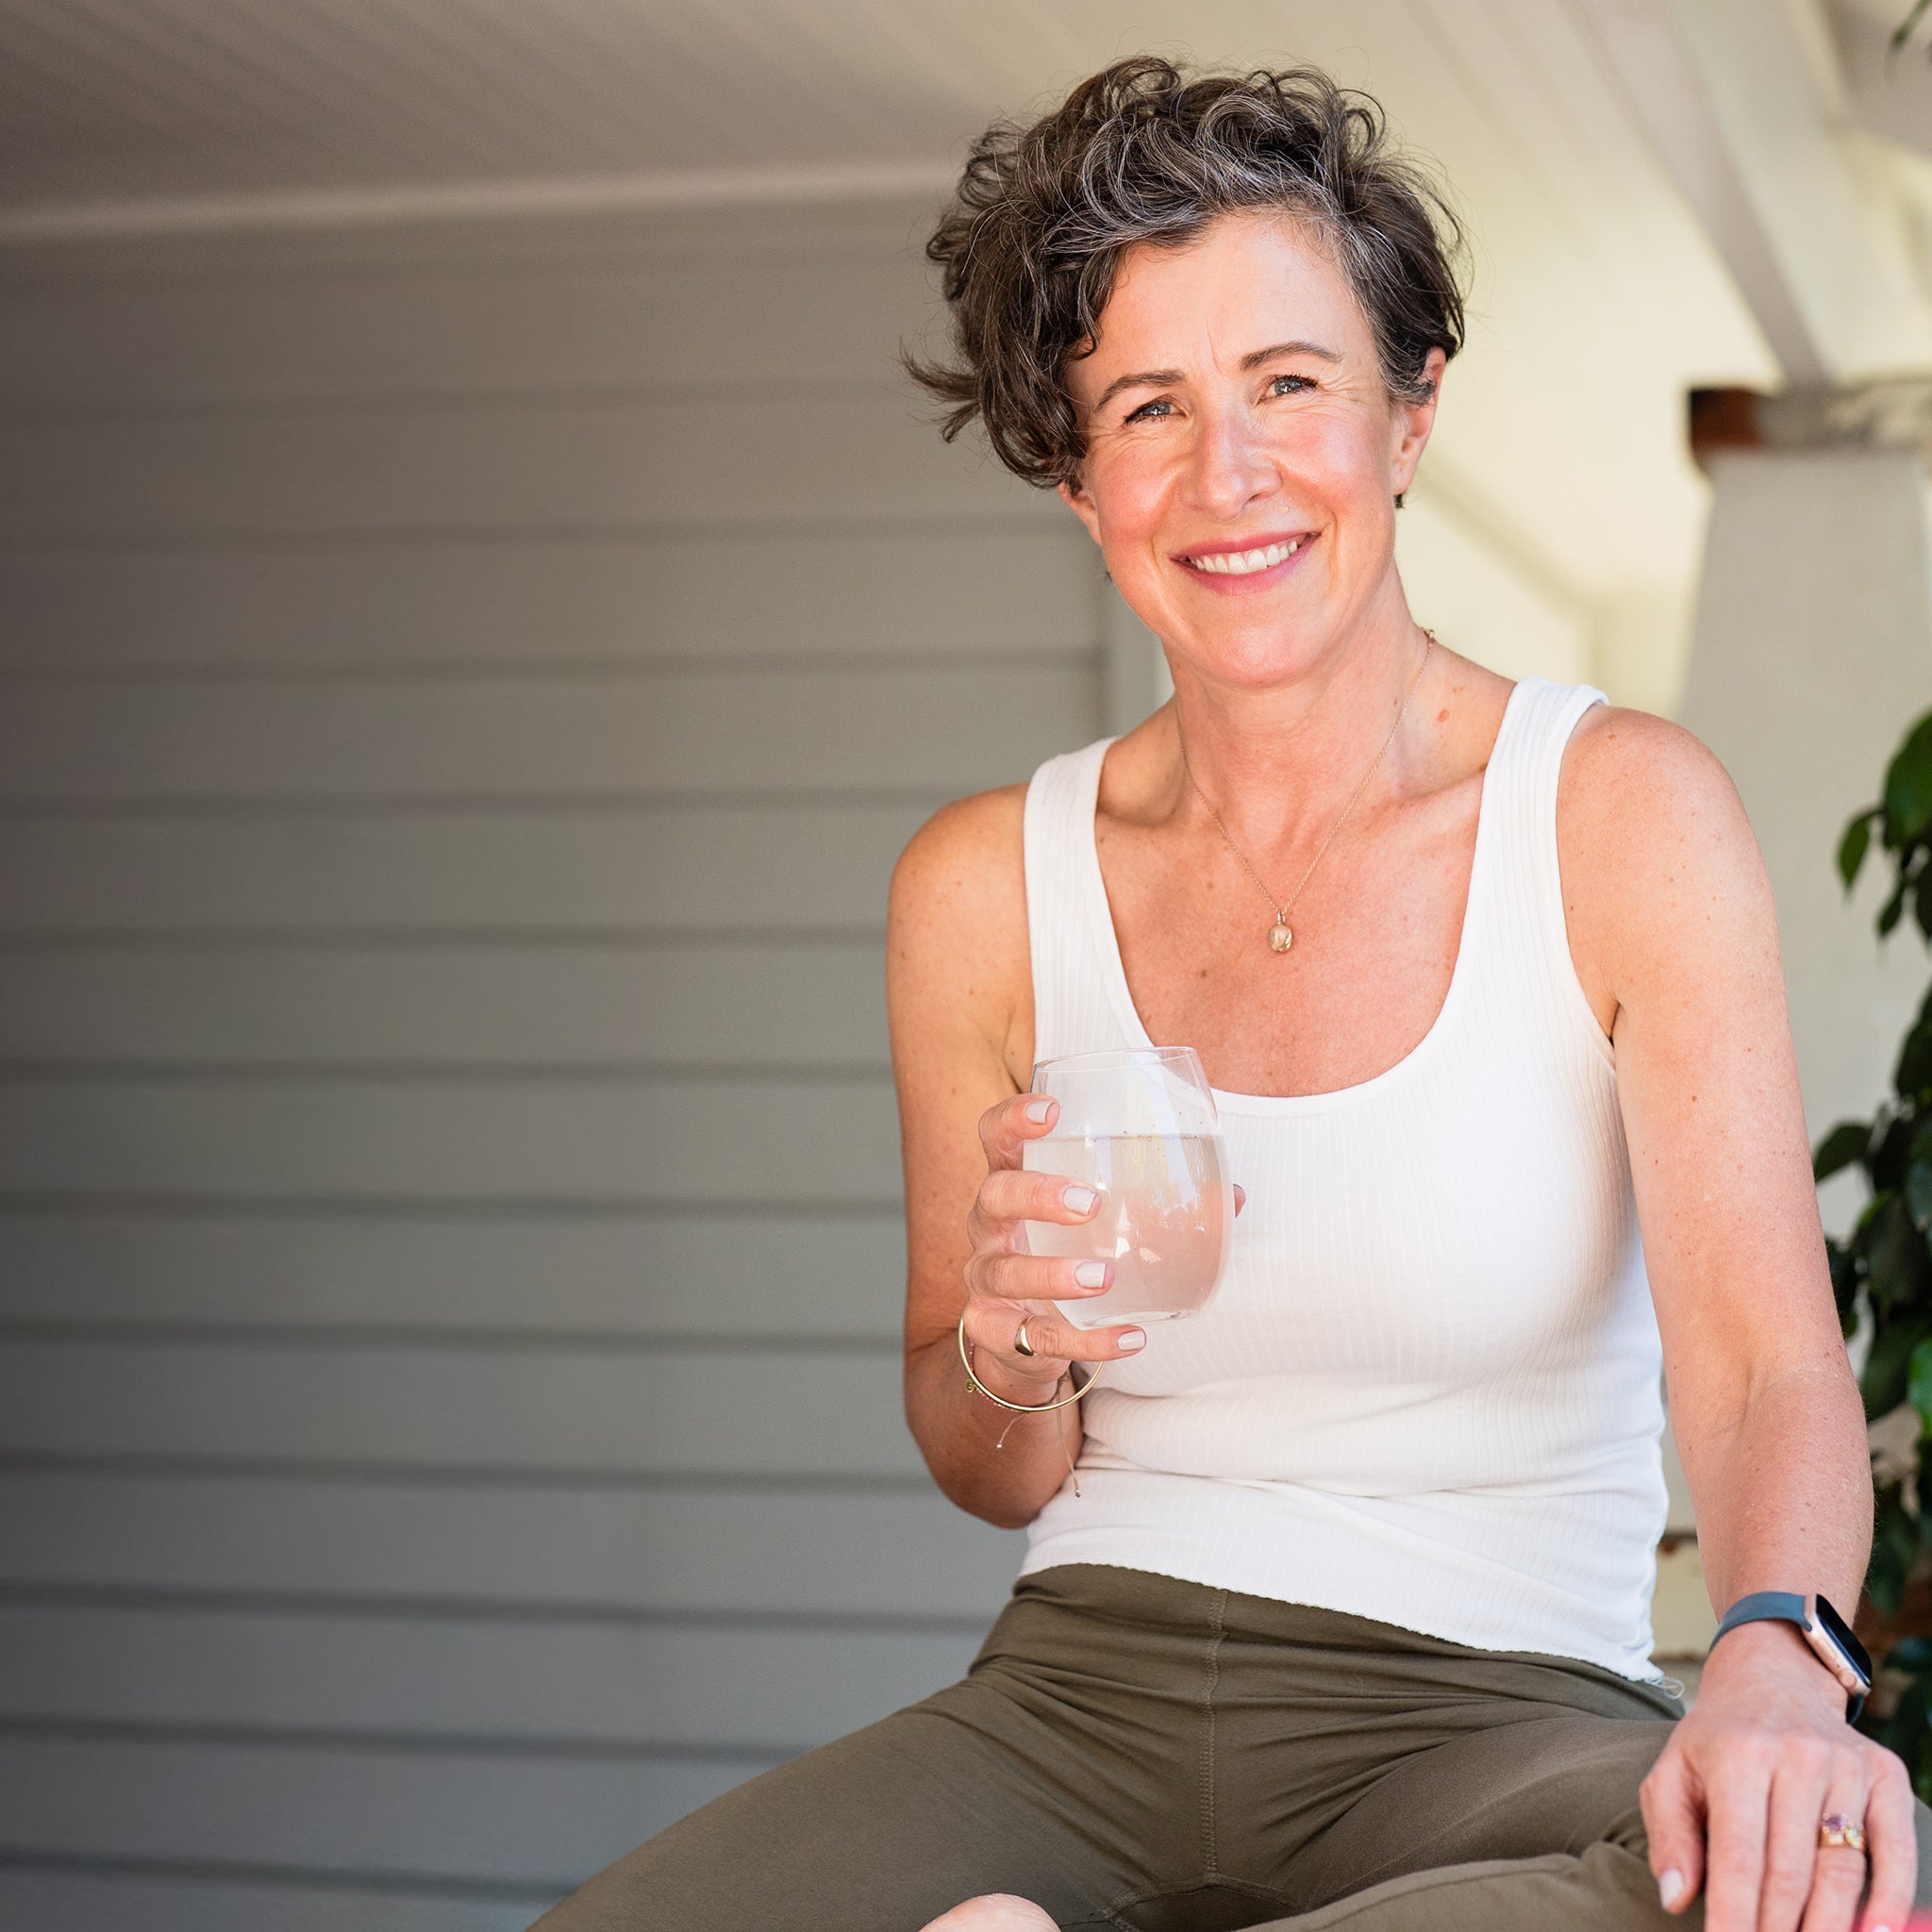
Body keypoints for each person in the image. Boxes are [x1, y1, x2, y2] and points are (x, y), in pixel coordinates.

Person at [533, 58, 1927, 1932]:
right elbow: (979, 1449)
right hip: (1070, 1707)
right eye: (1147, 408)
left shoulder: (1612, 816)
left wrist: (1775, 1652)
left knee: (1783, 1873)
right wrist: (1010, 1352)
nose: (1230, 474)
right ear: (1073, 471)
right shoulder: (979, 887)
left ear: (1408, 416)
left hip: (1496, 1707)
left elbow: (1765, 1365)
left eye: (1290, 385)